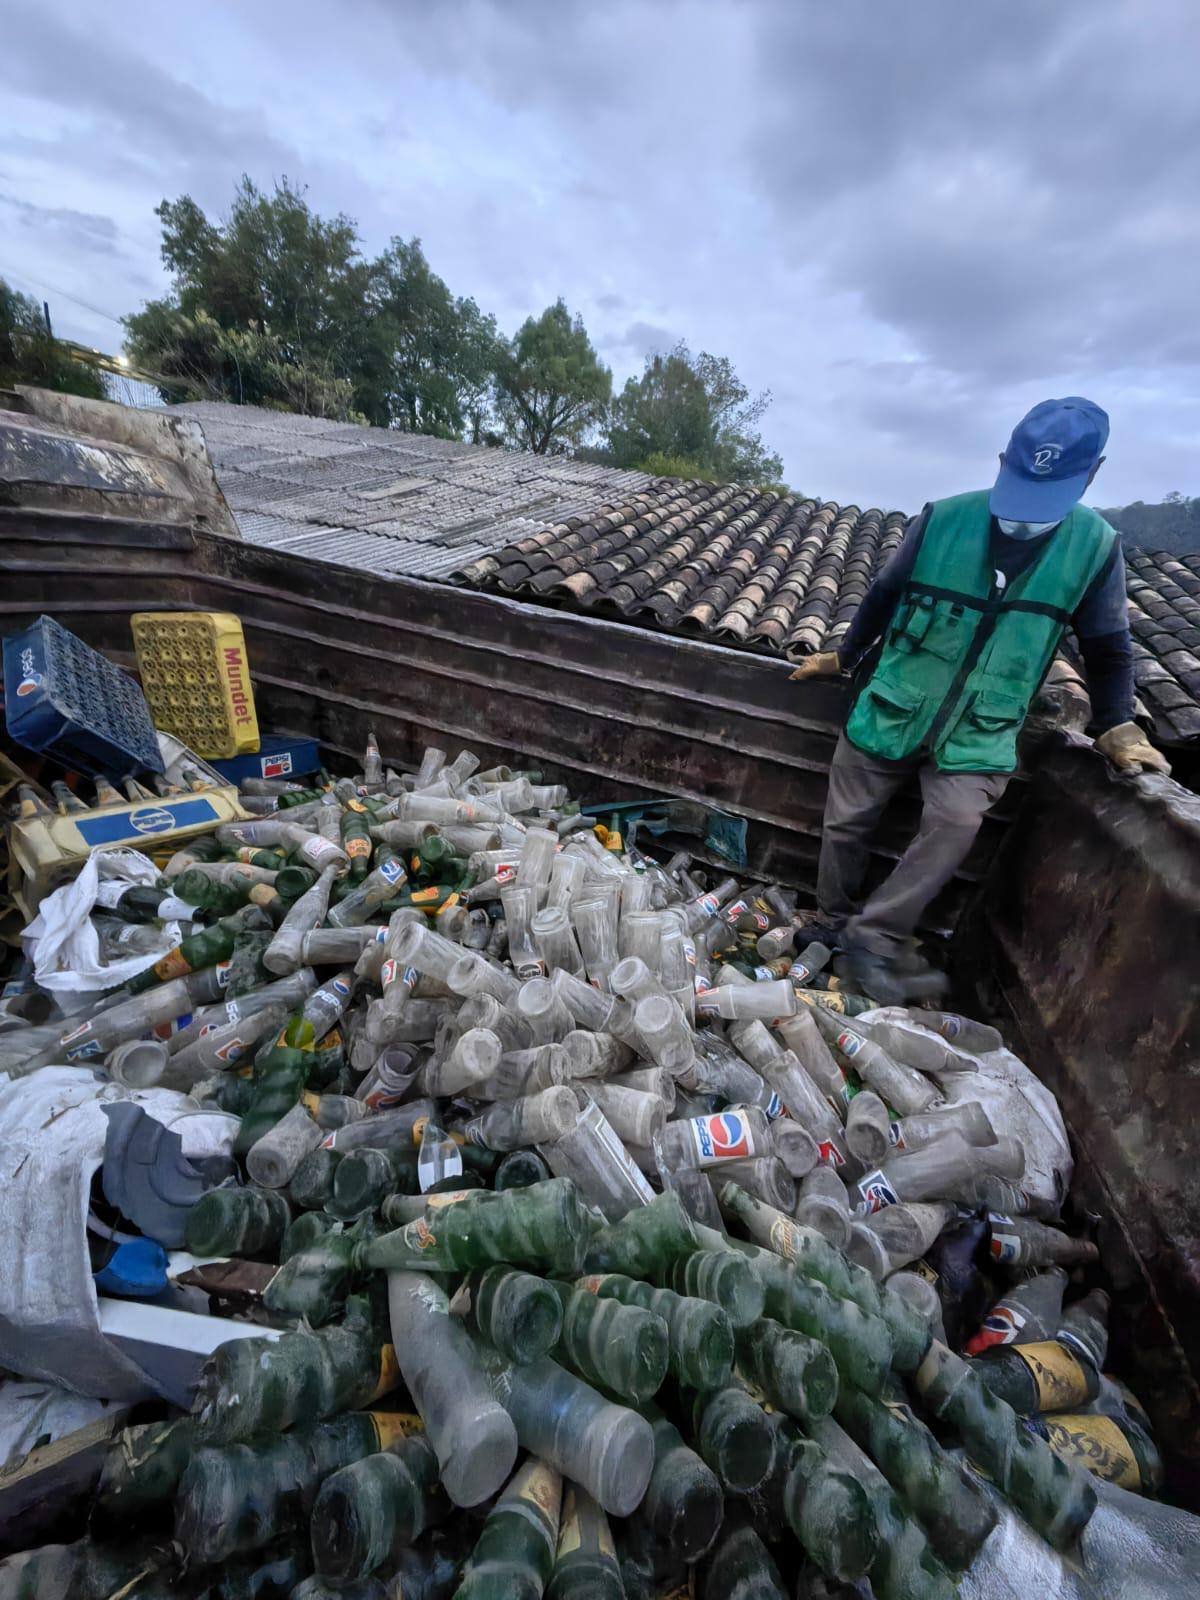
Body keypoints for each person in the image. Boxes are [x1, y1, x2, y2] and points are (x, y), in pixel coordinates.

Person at [790, 396, 1171, 1004]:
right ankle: (832, 923)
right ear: (1002, 462)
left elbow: (1108, 647)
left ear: (1091, 475)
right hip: (895, 702)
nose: (1023, 517)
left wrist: (1118, 724)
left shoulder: (1096, 548)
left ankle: (875, 937)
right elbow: (882, 595)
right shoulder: (942, 519)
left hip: (981, 726)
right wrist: (845, 654)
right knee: (846, 822)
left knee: (956, 822)